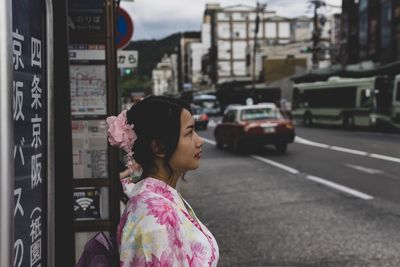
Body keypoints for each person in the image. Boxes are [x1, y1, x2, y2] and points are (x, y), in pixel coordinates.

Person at [106, 95, 219, 267]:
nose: (199, 140)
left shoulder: (154, 201)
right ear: (159, 147)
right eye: (189, 133)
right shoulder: (155, 224)